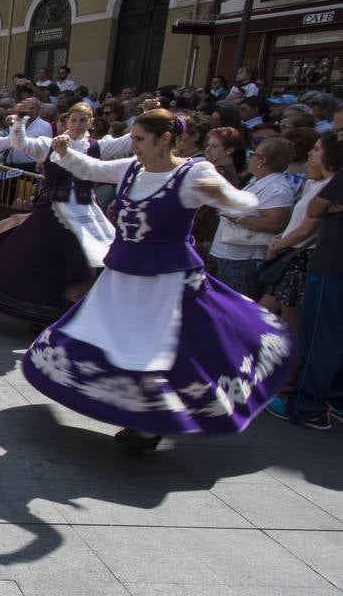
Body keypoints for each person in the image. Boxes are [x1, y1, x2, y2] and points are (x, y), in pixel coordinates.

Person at [21, 111, 292, 455]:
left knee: (158, 352)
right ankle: (140, 417)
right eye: (132, 138)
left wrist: (224, 196)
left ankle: (148, 424)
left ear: (164, 140)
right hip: (124, 274)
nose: (133, 145)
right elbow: (93, 169)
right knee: (105, 339)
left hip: (168, 280)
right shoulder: (132, 168)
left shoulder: (194, 173)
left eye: (139, 139)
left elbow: (241, 203)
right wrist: (65, 153)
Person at [0, 103, 129, 327]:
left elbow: (128, 141)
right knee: (41, 260)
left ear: (91, 123)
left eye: (83, 120)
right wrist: (19, 120)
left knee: (87, 260)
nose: (77, 124)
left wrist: (151, 115)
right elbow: (20, 143)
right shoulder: (49, 144)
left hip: (85, 213)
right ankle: (39, 312)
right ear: (66, 122)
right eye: (73, 120)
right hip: (52, 212)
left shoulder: (97, 147)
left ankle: (74, 312)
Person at [267, 133, 343, 430]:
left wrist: (325, 205)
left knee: (319, 338)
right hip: (328, 264)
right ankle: (333, 399)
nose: (339, 136)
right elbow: (317, 209)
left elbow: (314, 210)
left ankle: (306, 407)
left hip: (332, 266)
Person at [260, 132, 340, 346]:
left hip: (300, 259)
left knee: (289, 322)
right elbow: (297, 222)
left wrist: (278, 245)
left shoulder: (332, 187)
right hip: (290, 255)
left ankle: (295, 364)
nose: (310, 154)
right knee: (263, 313)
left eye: (317, 149)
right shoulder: (314, 183)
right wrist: (281, 237)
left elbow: (306, 229)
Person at [207, 136, 295, 298]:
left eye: (254, 154)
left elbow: (275, 223)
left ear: (262, 160)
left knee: (237, 306)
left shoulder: (276, 188)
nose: (250, 157)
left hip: (244, 260)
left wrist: (238, 218)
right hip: (227, 254)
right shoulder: (257, 181)